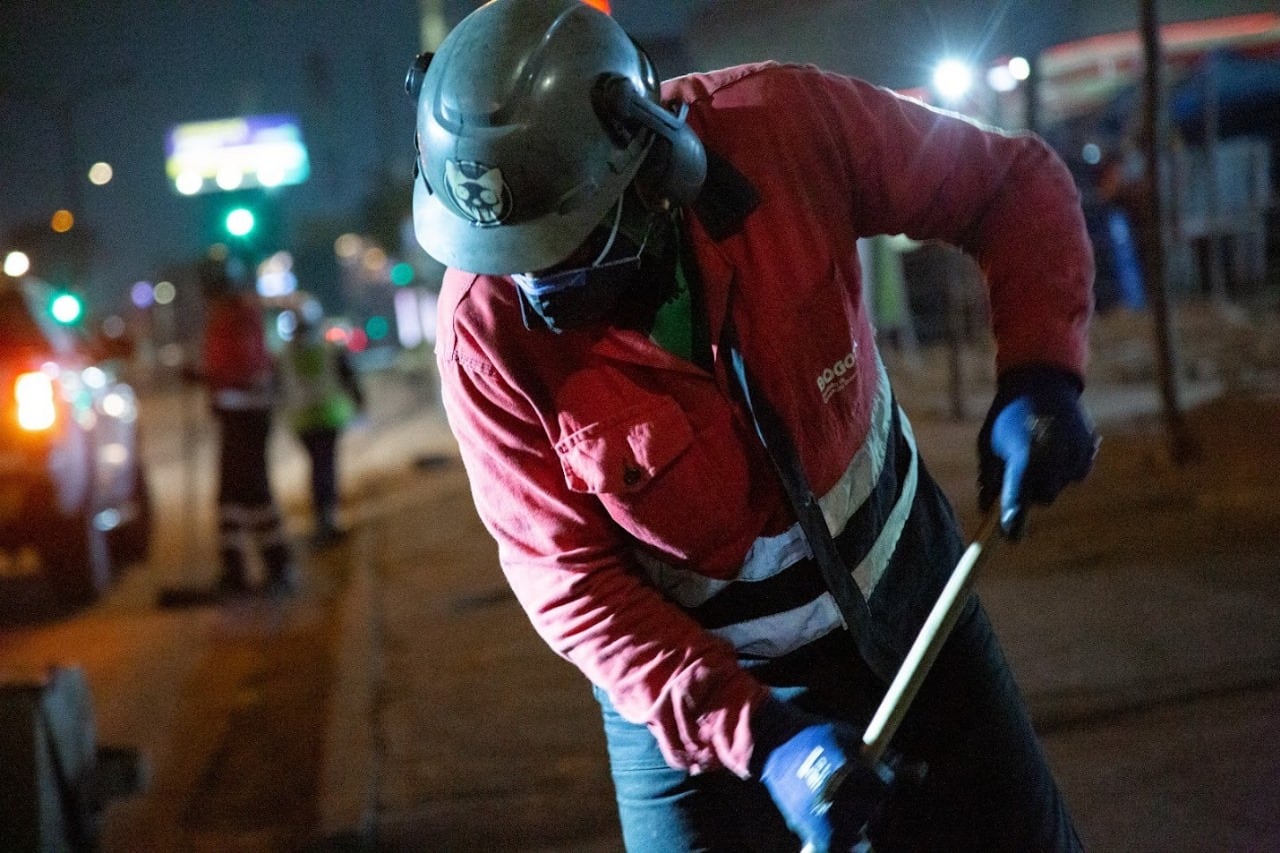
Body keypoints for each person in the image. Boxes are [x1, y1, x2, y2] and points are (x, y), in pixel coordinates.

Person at [408, 1, 1099, 850]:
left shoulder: (786, 128)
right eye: (507, 257)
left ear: (654, 162)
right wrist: (763, 740)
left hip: (909, 610)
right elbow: (574, 586)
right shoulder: (486, 336)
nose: (535, 289)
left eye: (564, 244)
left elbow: (1008, 185)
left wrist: (1041, 372)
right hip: (697, 688)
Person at [197, 256, 297, 597]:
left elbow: (244, 365)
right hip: (237, 414)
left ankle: (277, 568)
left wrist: (206, 377)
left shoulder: (237, 316)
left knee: (251, 493)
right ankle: (238, 570)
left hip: (246, 416)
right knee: (233, 497)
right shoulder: (234, 313)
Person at [279, 297, 365, 545]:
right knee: (325, 467)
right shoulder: (328, 350)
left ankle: (324, 519)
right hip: (327, 419)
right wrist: (360, 404)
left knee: (318, 468)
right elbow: (348, 378)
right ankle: (327, 519)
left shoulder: (284, 356)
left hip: (303, 423)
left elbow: (278, 389)